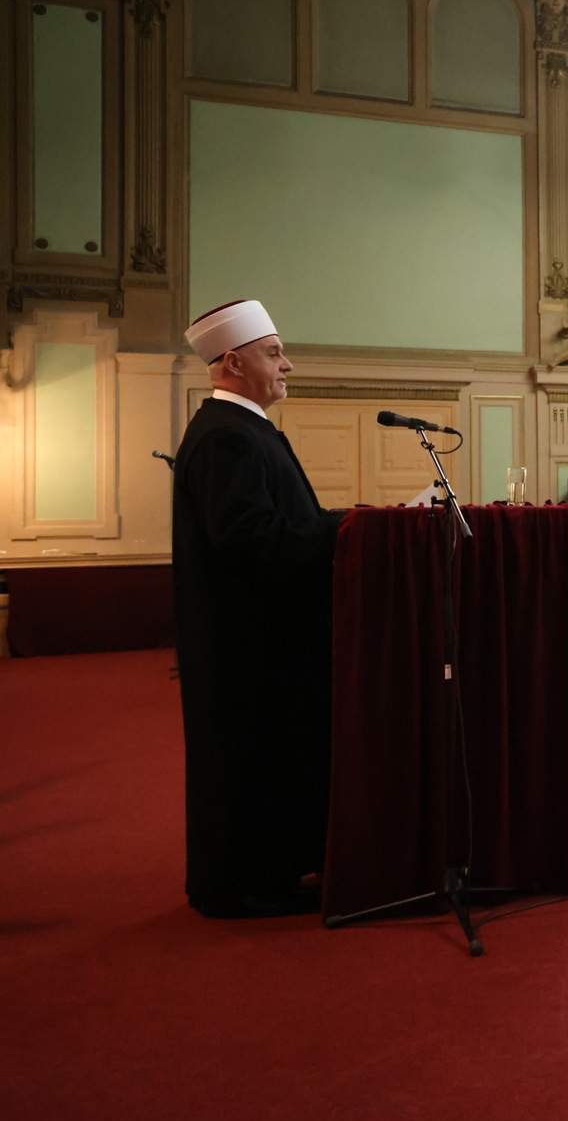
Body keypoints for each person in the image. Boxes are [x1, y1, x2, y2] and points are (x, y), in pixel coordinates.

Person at [174, 300, 347, 919]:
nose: (287, 365)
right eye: (273, 353)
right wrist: (345, 532)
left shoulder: (242, 429)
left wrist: (337, 523)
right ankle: (248, 886)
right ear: (231, 362)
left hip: (259, 639)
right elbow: (250, 538)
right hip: (248, 646)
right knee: (252, 760)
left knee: (268, 757)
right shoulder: (227, 437)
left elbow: (282, 524)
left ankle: (265, 875)